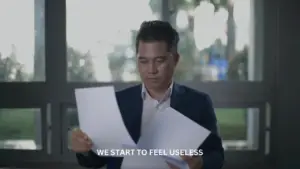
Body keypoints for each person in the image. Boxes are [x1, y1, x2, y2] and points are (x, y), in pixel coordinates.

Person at [71, 20, 224, 169]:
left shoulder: (198, 103)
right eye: (143, 61)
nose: (151, 70)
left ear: (175, 60)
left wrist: (200, 163)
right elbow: (96, 160)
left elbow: (216, 155)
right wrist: (85, 150)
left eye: (159, 61)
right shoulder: (118, 103)